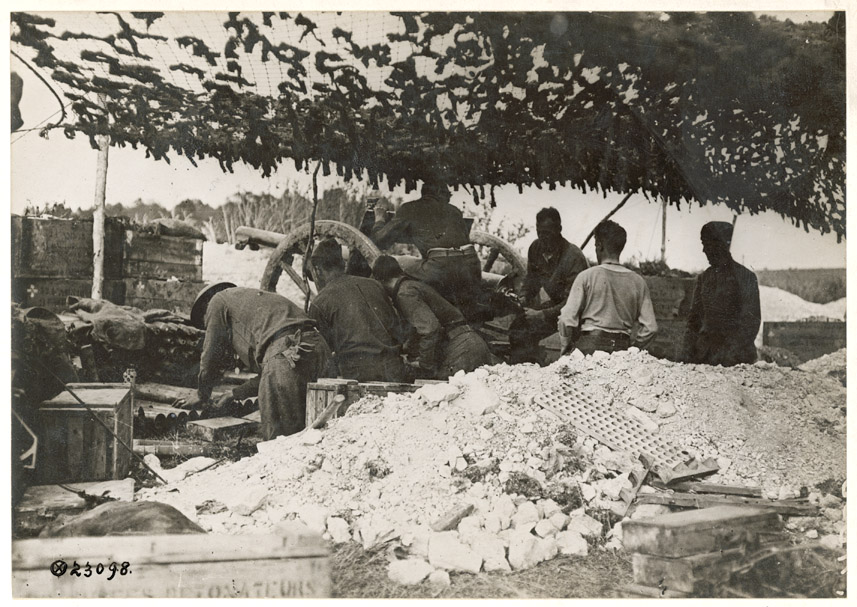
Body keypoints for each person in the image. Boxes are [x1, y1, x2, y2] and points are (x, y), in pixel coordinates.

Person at [180, 283, 330, 440]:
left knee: (280, 440)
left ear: (205, 309)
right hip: (319, 347)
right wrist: (234, 394)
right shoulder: (256, 306)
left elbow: (211, 353)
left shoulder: (216, 301)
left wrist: (202, 394)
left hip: (289, 353)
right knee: (323, 434)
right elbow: (272, 371)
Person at [372, 255, 496, 379]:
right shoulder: (412, 285)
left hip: (462, 350)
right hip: (469, 344)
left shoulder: (405, 293)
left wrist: (424, 365)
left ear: (380, 280)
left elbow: (430, 329)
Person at [370, 179, 482, 310]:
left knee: (396, 268)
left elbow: (380, 240)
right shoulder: (455, 211)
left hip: (441, 268)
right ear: (439, 192)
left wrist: (379, 218)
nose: (449, 198)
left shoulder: (410, 208)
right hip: (472, 267)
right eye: (448, 194)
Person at [308, 239, 409, 382]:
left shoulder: (320, 302)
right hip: (395, 369)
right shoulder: (375, 285)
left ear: (318, 270)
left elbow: (322, 353)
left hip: (358, 374)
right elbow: (397, 331)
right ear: (343, 264)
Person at [558, 221, 657, 355]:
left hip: (589, 347)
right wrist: (634, 349)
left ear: (599, 245)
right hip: (622, 348)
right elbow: (651, 328)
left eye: (596, 245)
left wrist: (566, 349)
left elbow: (566, 319)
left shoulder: (586, 276)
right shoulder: (638, 282)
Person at [509, 207, 589, 363]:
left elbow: (573, 303)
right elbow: (531, 280)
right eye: (539, 233)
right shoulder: (535, 248)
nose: (543, 238)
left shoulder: (573, 257)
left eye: (547, 233)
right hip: (556, 308)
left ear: (559, 230)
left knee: (573, 351)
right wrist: (523, 297)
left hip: (577, 313)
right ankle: (526, 367)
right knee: (518, 329)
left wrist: (542, 314)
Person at [682, 221, 761, 366]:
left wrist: (729, 356)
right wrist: (687, 355)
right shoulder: (703, 278)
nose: (703, 250)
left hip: (737, 361)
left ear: (719, 244)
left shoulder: (745, 277)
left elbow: (750, 322)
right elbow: (693, 321)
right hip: (705, 359)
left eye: (706, 244)